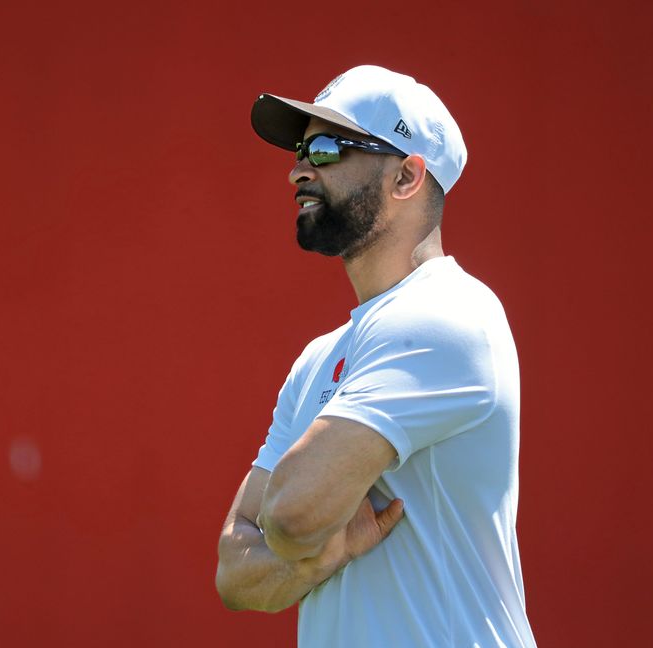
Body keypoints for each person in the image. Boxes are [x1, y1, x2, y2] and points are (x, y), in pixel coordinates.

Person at [215, 65, 537, 648]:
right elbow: (235, 571)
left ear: (408, 177)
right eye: (299, 148)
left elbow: (289, 517)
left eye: (328, 147)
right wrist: (327, 554)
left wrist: (301, 540)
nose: (298, 168)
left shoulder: (447, 314)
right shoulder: (321, 357)